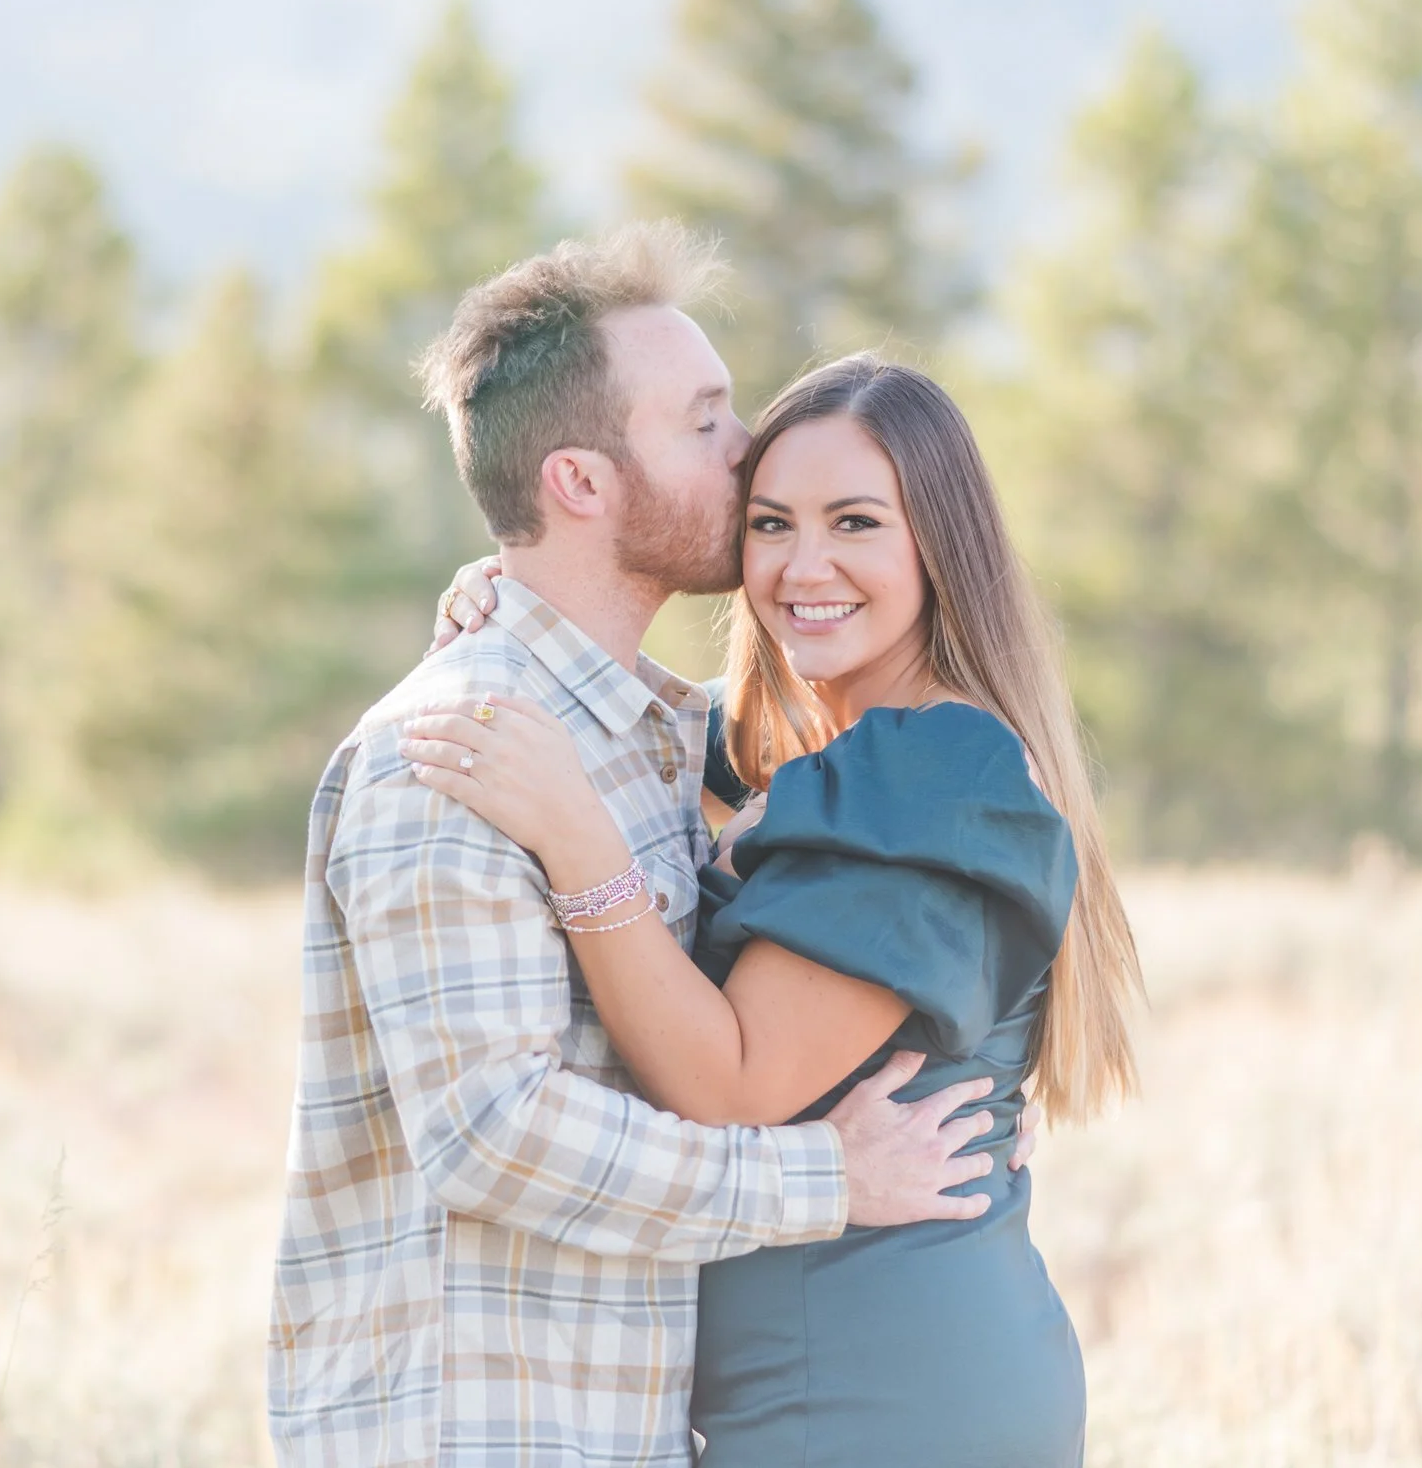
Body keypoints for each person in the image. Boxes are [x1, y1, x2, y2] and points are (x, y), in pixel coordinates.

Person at [269, 227, 1024, 1468]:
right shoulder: (458, 752)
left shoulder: (657, 741)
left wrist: (976, 1076)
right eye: (707, 422)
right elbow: (491, 1131)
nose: (750, 450)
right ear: (580, 481)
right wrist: (824, 1180)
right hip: (481, 1431)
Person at [403, 354, 1145, 1466]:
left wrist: (577, 843)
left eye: (855, 523)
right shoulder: (815, 755)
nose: (804, 567)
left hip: (877, 1388)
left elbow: (728, 1085)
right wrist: (510, 594)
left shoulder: (929, 769)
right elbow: (635, 719)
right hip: (828, 1374)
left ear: (939, 545)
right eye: (769, 524)